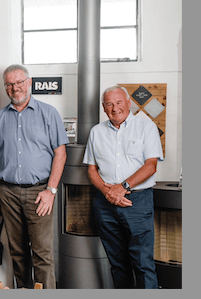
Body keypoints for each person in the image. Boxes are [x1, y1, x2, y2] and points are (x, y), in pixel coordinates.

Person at [0, 64, 68, 289]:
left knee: (42, 253)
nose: (15, 88)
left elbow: (61, 153)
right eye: (9, 84)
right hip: (8, 192)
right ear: (5, 88)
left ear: (29, 83)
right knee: (18, 253)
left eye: (19, 82)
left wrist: (51, 191)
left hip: (40, 193)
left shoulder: (48, 113)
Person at [83, 85, 163, 288]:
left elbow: (151, 165)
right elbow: (92, 170)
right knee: (117, 264)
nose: (115, 108)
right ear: (103, 107)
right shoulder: (96, 132)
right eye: (109, 104)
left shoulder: (146, 127)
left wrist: (122, 187)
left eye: (119, 102)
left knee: (143, 263)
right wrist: (108, 192)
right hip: (105, 203)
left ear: (129, 103)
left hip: (137, 202)